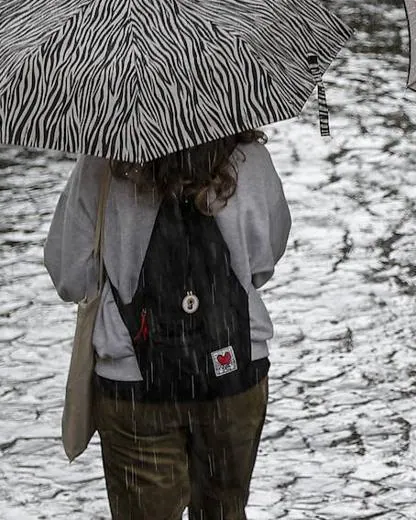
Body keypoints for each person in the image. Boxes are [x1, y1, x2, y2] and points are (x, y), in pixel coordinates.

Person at [45, 130, 291, 520]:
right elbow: (264, 262)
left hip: (134, 385)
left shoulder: (102, 165)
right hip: (234, 370)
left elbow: (70, 277)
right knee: (224, 511)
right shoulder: (249, 158)